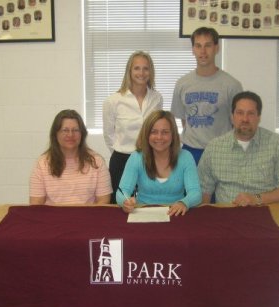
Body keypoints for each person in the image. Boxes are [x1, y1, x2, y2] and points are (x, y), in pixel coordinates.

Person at [194, 91, 279, 307]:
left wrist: (257, 199)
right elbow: (205, 194)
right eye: (240, 113)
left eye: (250, 113)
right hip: (227, 223)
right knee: (207, 254)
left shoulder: (277, 144)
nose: (245, 119)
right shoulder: (215, 147)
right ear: (232, 117)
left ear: (259, 117)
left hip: (268, 220)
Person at [30, 109, 112, 307]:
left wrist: (82, 226)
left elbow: (104, 201)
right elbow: (36, 205)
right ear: (55, 133)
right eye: (65, 129)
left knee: (82, 258)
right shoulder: (43, 163)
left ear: (82, 133)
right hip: (52, 230)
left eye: (75, 130)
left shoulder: (96, 161)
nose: (70, 134)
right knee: (49, 261)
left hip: (86, 229)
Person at [170, 27, 242, 164]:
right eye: (198, 46)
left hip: (221, 152)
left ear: (216, 48)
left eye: (208, 45)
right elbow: (184, 120)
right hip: (190, 152)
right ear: (193, 50)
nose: (203, 51)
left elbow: (237, 123)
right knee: (191, 187)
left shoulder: (232, 85)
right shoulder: (182, 84)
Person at [103, 51, 163, 203]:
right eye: (137, 68)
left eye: (146, 68)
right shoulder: (113, 101)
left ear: (151, 72)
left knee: (148, 204)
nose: (141, 73)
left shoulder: (156, 98)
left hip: (150, 160)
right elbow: (109, 135)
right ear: (129, 71)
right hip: (122, 161)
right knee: (121, 206)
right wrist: (124, 151)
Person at [116, 110, 201, 216]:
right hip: (143, 215)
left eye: (165, 132)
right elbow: (122, 191)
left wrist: (184, 202)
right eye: (153, 132)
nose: (159, 137)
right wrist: (125, 202)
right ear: (146, 134)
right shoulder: (136, 157)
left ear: (173, 135)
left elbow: (195, 192)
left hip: (175, 214)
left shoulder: (186, 157)